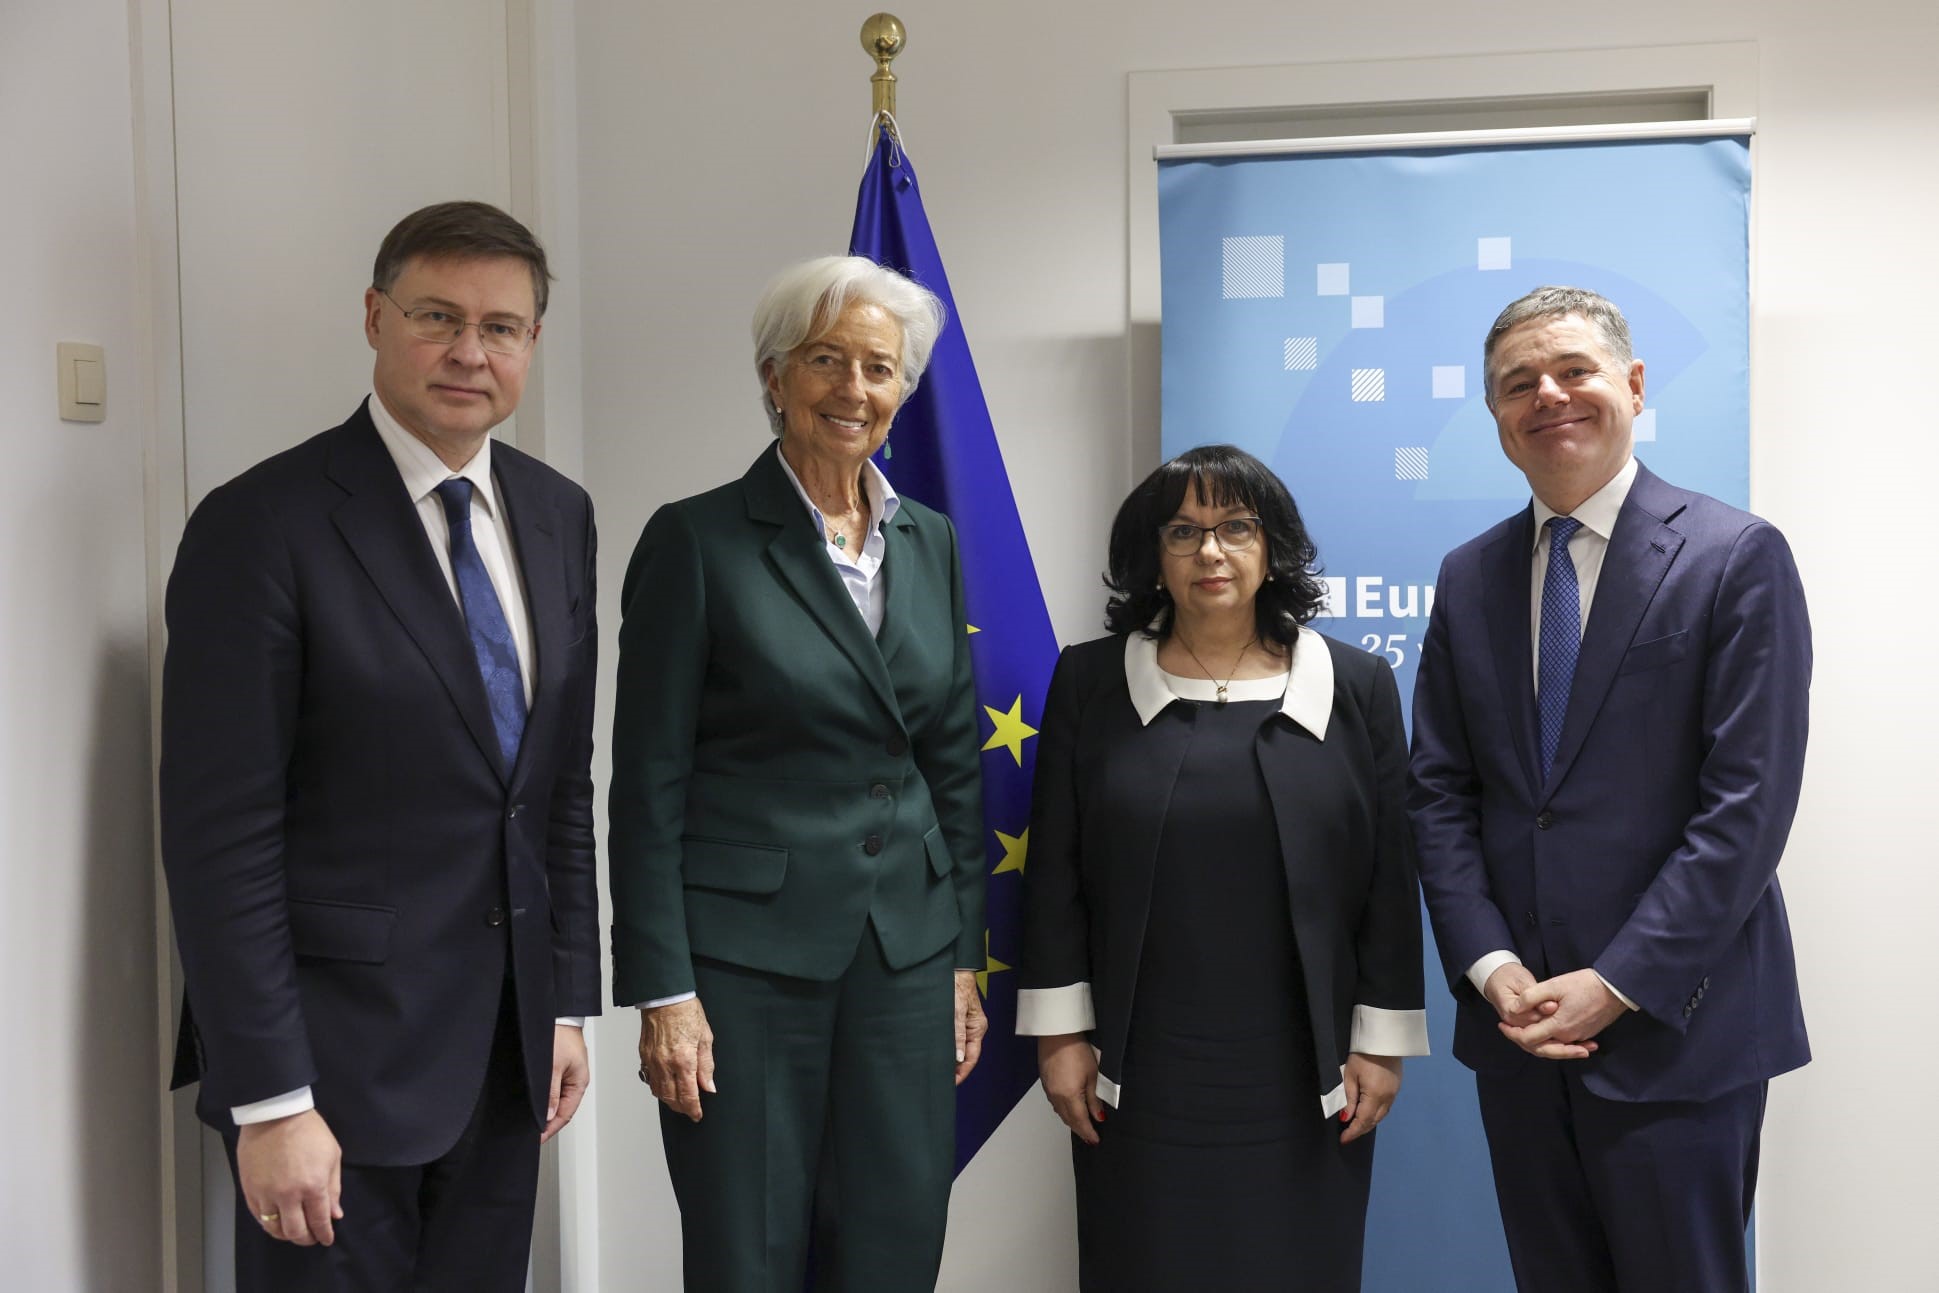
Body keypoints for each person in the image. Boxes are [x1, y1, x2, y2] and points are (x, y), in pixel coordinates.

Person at [159, 201, 601, 1291]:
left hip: (504, 1059)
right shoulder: (263, 522)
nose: (469, 351)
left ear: (532, 344)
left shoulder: (558, 514)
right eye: (437, 316)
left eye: (502, 327)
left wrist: (565, 1004)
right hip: (332, 1071)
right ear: (373, 316)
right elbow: (221, 837)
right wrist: (270, 1101)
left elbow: (555, 788)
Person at [1408, 286, 1811, 1292]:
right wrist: (1490, 963)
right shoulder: (1468, 577)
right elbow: (1440, 793)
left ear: (1631, 385)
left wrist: (1617, 981)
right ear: (1496, 415)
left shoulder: (1734, 556)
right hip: (1520, 1032)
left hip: (1679, 1028)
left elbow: (1745, 807)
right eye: (1516, 385)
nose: (1548, 395)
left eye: (1572, 370)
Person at [608, 255, 988, 1291]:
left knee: (895, 1240)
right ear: (775, 376)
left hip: (905, 955)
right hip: (744, 964)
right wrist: (663, 989)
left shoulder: (931, 541)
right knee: (748, 1248)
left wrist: (960, 956)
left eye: (878, 367)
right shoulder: (696, 540)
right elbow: (646, 783)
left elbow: (950, 758)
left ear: (902, 390)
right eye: (827, 360)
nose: (853, 390)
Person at [1017, 444, 1427, 1292]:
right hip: (1138, 1061)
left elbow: (1389, 878)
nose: (1211, 551)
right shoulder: (1091, 681)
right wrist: (1059, 1037)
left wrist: (1381, 1044)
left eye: (1235, 527)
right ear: (1151, 556)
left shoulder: (1356, 685)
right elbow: (1053, 868)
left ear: (1270, 546)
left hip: (1305, 1064)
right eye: (1183, 531)